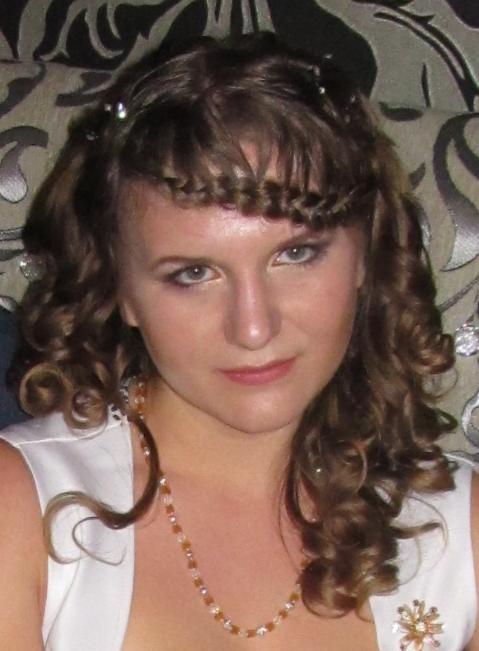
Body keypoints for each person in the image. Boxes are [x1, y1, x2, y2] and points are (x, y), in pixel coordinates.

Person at [0, 32, 477, 651]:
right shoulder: (23, 507)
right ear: (120, 288)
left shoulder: (459, 539)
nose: (253, 328)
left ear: (366, 253)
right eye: (193, 274)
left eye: (296, 254)